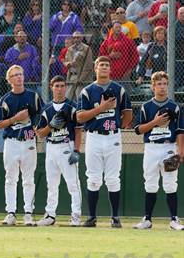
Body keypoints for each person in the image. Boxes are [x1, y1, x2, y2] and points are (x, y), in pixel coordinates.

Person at [76, 56, 133, 228]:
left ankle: (115, 217)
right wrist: (101, 108)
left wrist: (116, 126)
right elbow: (79, 117)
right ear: (95, 68)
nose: (104, 67)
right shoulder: (87, 91)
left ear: (110, 69)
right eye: (101, 65)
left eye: (107, 65)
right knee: (93, 178)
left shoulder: (119, 89)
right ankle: (92, 217)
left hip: (113, 136)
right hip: (93, 136)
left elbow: (128, 114)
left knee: (113, 178)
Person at [133, 71, 184, 230]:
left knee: (170, 184)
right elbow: (138, 130)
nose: (162, 87)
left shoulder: (175, 107)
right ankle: (147, 219)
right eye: (159, 84)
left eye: (165, 84)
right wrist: (155, 122)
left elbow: (180, 131)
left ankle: (174, 220)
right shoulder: (146, 106)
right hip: (151, 148)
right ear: (153, 86)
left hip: (168, 147)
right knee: (150, 184)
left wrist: (181, 150)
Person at [0, 64, 44, 226]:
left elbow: (41, 114)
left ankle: (28, 213)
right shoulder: (5, 100)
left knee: (29, 179)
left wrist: (37, 126)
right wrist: (15, 118)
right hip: (11, 143)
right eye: (15, 75)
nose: (19, 77)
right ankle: (11, 213)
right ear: (9, 80)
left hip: (29, 142)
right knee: (10, 178)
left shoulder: (33, 96)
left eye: (21, 74)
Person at [35, 75, 82, 227]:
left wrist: (76, 150)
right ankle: (50, 214)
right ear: (51, 87)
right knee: (52, 183)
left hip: (67, 145)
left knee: (73, 184)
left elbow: (79, 130)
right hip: (51, 147)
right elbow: (40, 133)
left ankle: (75, 215)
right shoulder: (46, 108)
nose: (60, 89)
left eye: (62, 86)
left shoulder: (72, 106)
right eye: (57, 86)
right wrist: (51, 126)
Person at [99, 21, 139, 93]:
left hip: (124, 75)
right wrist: (110, 56)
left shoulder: (128, 41)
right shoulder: (106, 42)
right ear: (112, 29)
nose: (118, 29)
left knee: (125, 97)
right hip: (110, 74)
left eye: (120, 27)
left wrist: (129, 70)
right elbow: (101, 58)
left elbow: (135, 57)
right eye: (116, 27)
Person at [63, 31, 93, 101]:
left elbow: (88, 66)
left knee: (80, 98)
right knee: (68, 97)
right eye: (74, 38)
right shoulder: (70, 49)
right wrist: (68, 64)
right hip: (71, 76)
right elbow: (65, 60)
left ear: (82, 38)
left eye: (78, 37)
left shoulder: (87, 48)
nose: (76, 39)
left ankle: (81, 111)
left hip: (82, 77)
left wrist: (81, 79)